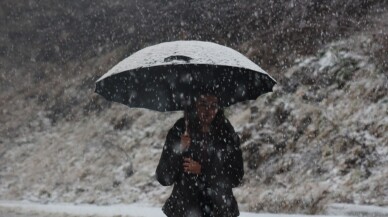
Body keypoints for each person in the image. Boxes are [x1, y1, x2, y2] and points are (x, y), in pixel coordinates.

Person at [156, 94, 244, 217]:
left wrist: (203, 170)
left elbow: (236, 176)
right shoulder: (180, 129)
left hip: (220, 209)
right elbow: (163, 177)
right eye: (203, 104)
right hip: (185, 209)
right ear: (194, 105)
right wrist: (179, 150)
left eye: (214, 105)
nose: (209, 110)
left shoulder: (226, 132)